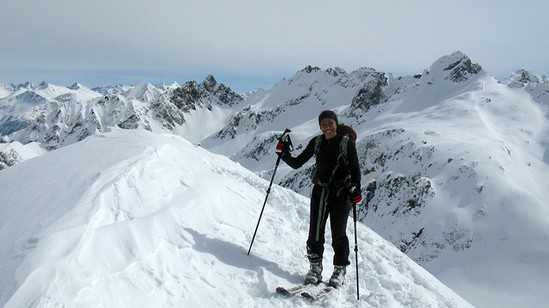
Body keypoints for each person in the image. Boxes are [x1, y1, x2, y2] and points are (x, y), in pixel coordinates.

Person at [275, 110, 362, 287]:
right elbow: (297, 163)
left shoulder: (346, 143)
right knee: (315, 231)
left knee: (339, 233)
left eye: (330, 123)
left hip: (341, 193)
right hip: (320, 192)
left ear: (336, 124)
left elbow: (355, 170)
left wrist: (356, 189)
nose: (327, 127)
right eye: (323, 124)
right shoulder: (317, 142)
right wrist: (283, 154)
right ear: (320, 127)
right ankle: (315, 268)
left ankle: (339, 269)